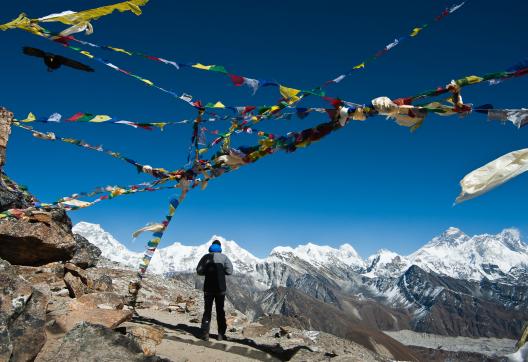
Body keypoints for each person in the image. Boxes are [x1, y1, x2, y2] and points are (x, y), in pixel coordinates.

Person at [196, 239, 233, 341]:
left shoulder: (205, 257)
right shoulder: (224, 257)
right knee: (220, 310)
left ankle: (205, 333)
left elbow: (199, 271)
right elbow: (230, 271)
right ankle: (221, 334)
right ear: (220, 248)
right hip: (221, 289)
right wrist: (221, 271)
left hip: (208, 288)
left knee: (207, 310)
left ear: (211, 247)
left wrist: (207, 272)